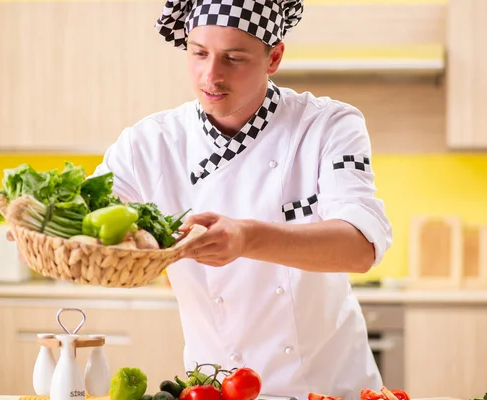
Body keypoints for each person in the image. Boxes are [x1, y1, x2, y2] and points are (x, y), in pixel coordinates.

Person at [95, 1, 393, 399]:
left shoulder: (328, 127)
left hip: (329, 386)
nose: (210, 75)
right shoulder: (149, 144)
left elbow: (359, 248)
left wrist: (246, 238)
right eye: (199, 53)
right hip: (216, 388)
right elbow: (91, 218)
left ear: (274, 57)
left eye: (233, 58)